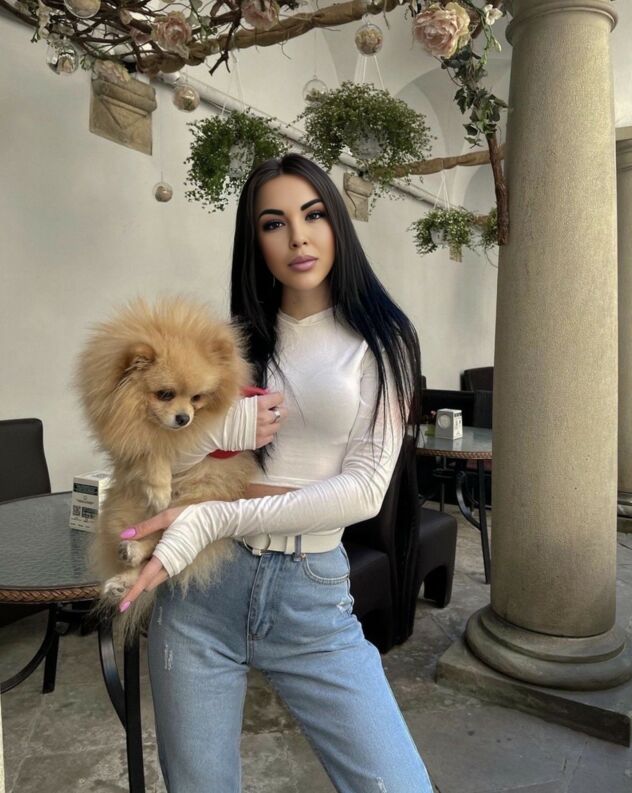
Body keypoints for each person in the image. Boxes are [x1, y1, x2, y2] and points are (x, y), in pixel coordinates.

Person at [117, 153, 434, 793]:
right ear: (254, 241)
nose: (298, 238)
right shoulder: (226, 343)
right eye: (273, 223)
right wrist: (220, 434)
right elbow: (159, 462)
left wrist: (218, 515)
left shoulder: (384, 339)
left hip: (309, 593)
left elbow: (365, 491)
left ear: (337, 222)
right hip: (202, 592)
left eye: (313, 215)